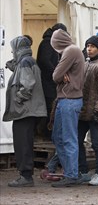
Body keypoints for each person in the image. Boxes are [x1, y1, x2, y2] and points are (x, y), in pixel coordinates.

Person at [3, 36, 47, 187]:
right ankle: (25, 175)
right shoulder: (25, 61)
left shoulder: (25, 62)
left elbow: (28, 84)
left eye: (13, 48)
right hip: (26, 111)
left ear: (18, 48)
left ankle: (26, 176)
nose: (11, 51)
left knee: (23, 144)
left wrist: (19, 98)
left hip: (25, 110)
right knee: (23, 142)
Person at [50, 29, 85, 187]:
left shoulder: (70, 51)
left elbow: (55, 76)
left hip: (69, 100)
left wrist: (61, 74)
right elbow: (58, 75)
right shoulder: (72, 50)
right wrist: (61, 74)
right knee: (58, 137)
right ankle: (70, 172)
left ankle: (71, 174)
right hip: (66, 99)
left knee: (68, 138)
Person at [77, 36, 98, 186]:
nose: (89, 49)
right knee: (77, 141)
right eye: (87, 46)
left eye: (92, 46)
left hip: (96, 112)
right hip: (83, 111)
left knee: (97, 144)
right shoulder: (86, 64)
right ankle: (83, 172)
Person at [36, 23, 67, 140]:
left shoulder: (50, 42)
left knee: (51, 108)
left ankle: (48, 133)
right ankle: (48, 134)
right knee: (50, 108)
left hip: (50, 81)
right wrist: (57, 73)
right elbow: (44, 61)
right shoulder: (47, 42)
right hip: (48, 82)